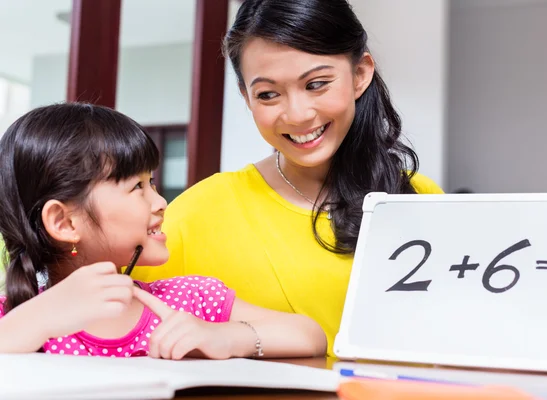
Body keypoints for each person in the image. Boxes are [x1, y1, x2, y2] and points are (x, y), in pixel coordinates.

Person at [132, 0, 444, 355]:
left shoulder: (418, 197)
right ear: (246, 97)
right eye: (268, 94)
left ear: (360, 74)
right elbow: (126, 337)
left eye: (316, 84)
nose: (297, 114)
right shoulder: (197, 213)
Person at [0, 103, 326, 359]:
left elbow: (310, 336)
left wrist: (224, 337)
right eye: (136, 187)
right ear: (65, 223)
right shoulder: (14, 315)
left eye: (152, 182)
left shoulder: (189, 301)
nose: (160, 202)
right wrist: (40, 317)